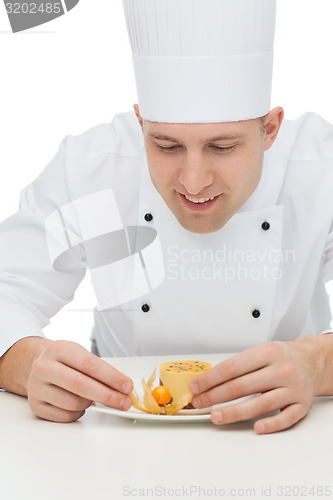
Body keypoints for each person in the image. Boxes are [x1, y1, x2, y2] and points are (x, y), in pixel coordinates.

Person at [1, 0, 333, 434]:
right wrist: (23, 361)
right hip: (118, 430)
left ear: (270, 130)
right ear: (141, 125)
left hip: (291, 434)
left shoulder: (319, 165)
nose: (193, 182)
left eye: (223, 147)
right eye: (167, 146)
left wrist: (320, 363)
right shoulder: (93, 168)